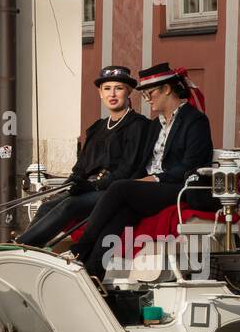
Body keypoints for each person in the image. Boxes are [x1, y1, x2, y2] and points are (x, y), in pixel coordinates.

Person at [72, 62, 214, 281]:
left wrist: (155, 178)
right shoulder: (156, 125)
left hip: (179, 187)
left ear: (167, 89)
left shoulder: (194, 120)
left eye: (151, 93)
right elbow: (144, 163)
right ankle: (92, 272)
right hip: (152, 188)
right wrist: (137, 179)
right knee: (121, 213)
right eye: (145, 94)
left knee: (120, 188)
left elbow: (190, 166)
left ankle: (80, 249)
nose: (147, 98)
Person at [17, 66, 146, 249]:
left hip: (113, 190)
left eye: (119, 88)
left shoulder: (137, 125)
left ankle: (21, 246)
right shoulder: (97, 128)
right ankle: (24, 249)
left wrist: (93, 185)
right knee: (47, 205)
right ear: (100, 93)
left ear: (129, 91)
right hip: (89, 189)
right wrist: (71, 183)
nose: (112, 94)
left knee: (70, 204)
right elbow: (82, 166)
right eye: (107, 88)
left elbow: (129, 168)